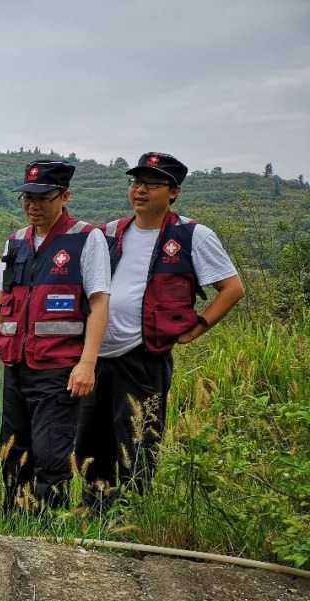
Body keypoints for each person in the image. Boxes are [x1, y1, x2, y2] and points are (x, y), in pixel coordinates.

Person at [76, 153, 244, 499]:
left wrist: (198, 327)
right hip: (97, 354)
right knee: (89, 441)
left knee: (137, 440)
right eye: (136, 182)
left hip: (144, 355)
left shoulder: (192, 235)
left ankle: (132, 517)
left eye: (152, 184)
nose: (140, 190)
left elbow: (232, 288)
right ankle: (93, 515)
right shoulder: (109, 232)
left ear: (174, 191)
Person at [0, 160, 111, 511]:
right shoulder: (16, 240)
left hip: (58, 369)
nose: (33, 206)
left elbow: (98, 303)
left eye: (43, 198)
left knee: (51, 453)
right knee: (13, 451)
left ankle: (48, 531)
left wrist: (87, 364)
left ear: (65, 196)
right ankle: (13, 521)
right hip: (16, 366)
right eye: (27, 198)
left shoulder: (85, 238)